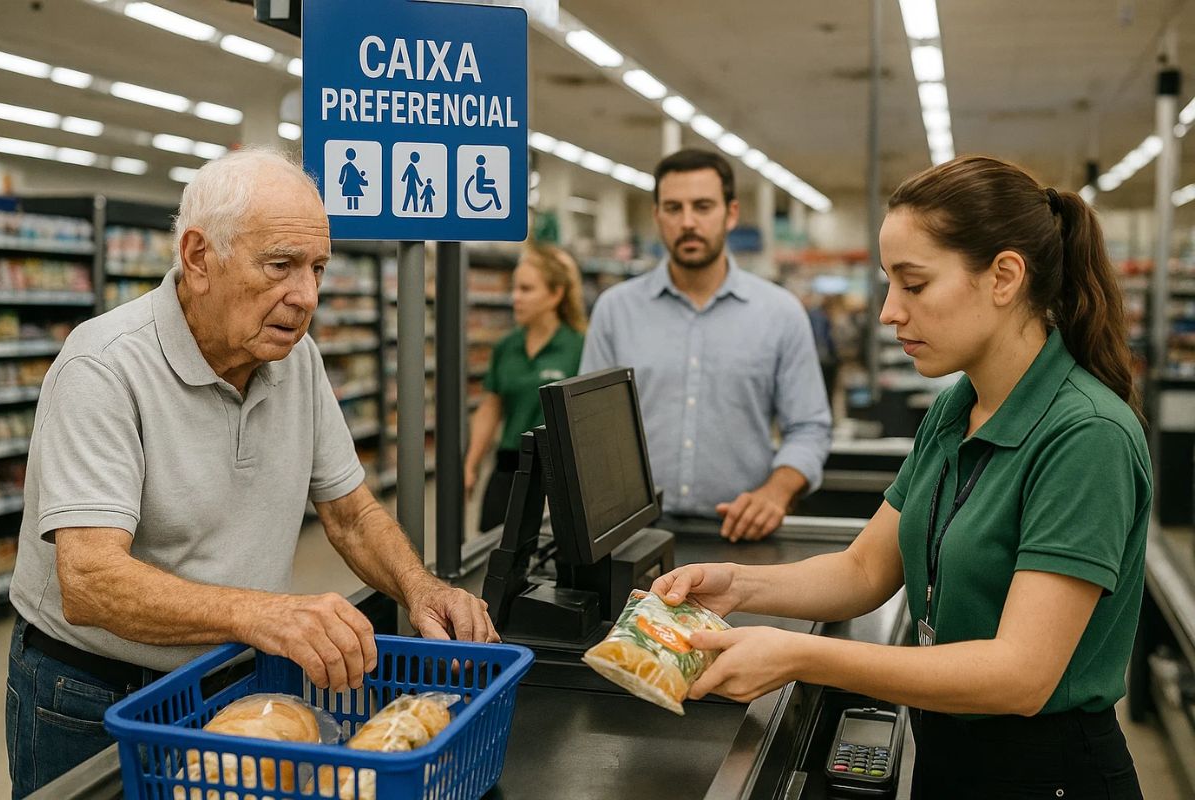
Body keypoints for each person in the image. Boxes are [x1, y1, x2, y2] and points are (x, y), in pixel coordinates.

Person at [5, 149, 496, 798]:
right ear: (198, 257)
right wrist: (264, 614)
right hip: (94, 697)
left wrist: (420, 588)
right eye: (280, 265)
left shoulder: (298, 359)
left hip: (233, 682)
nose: (308, 297)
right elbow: (90, 581)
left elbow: (350, 514)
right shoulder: (103, 367)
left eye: (317, 268)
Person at [653, 156, 1150, 798]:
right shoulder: (956, 409)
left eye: (914, 285)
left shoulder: (1086, 435)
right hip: (950, 755)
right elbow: (865, 570)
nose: (889, 312)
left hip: (1047, 774)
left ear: (1004, 277)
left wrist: (800, 656)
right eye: (889, 284)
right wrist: (736, 585)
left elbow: (1020, 675)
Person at [581, 148, 831, 542]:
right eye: (674, 208)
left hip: (740, 533)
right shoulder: (615, 310)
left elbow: (809, 427)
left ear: (731, 214)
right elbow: (590, 428)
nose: (688, 222)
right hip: (632, 535)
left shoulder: (781, 313)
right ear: (657, 216)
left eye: (702, 207)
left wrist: (776, 492)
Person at [464, 244, 586, 532]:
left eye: (526, 289)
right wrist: (471, 464)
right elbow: (491, 408)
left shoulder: (579, 346)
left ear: (556, 294)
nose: (515, 298)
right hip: (509, 466)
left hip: (558, 472)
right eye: (514, 288)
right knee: (493, 547)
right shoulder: (506, 346)